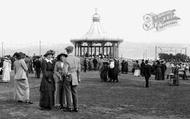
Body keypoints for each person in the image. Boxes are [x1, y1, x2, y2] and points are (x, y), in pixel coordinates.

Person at [65, 46, 81, 112]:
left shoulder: (66, 59)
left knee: (68, 92)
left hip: (69, 76)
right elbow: (79, 70)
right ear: (72, 51)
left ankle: (69, 107)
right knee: (74, 92)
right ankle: (76, 107)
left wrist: (65, 75)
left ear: (67, 51)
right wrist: (78, 77)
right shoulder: (77, 59)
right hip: (75, 76)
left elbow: (65, 71)